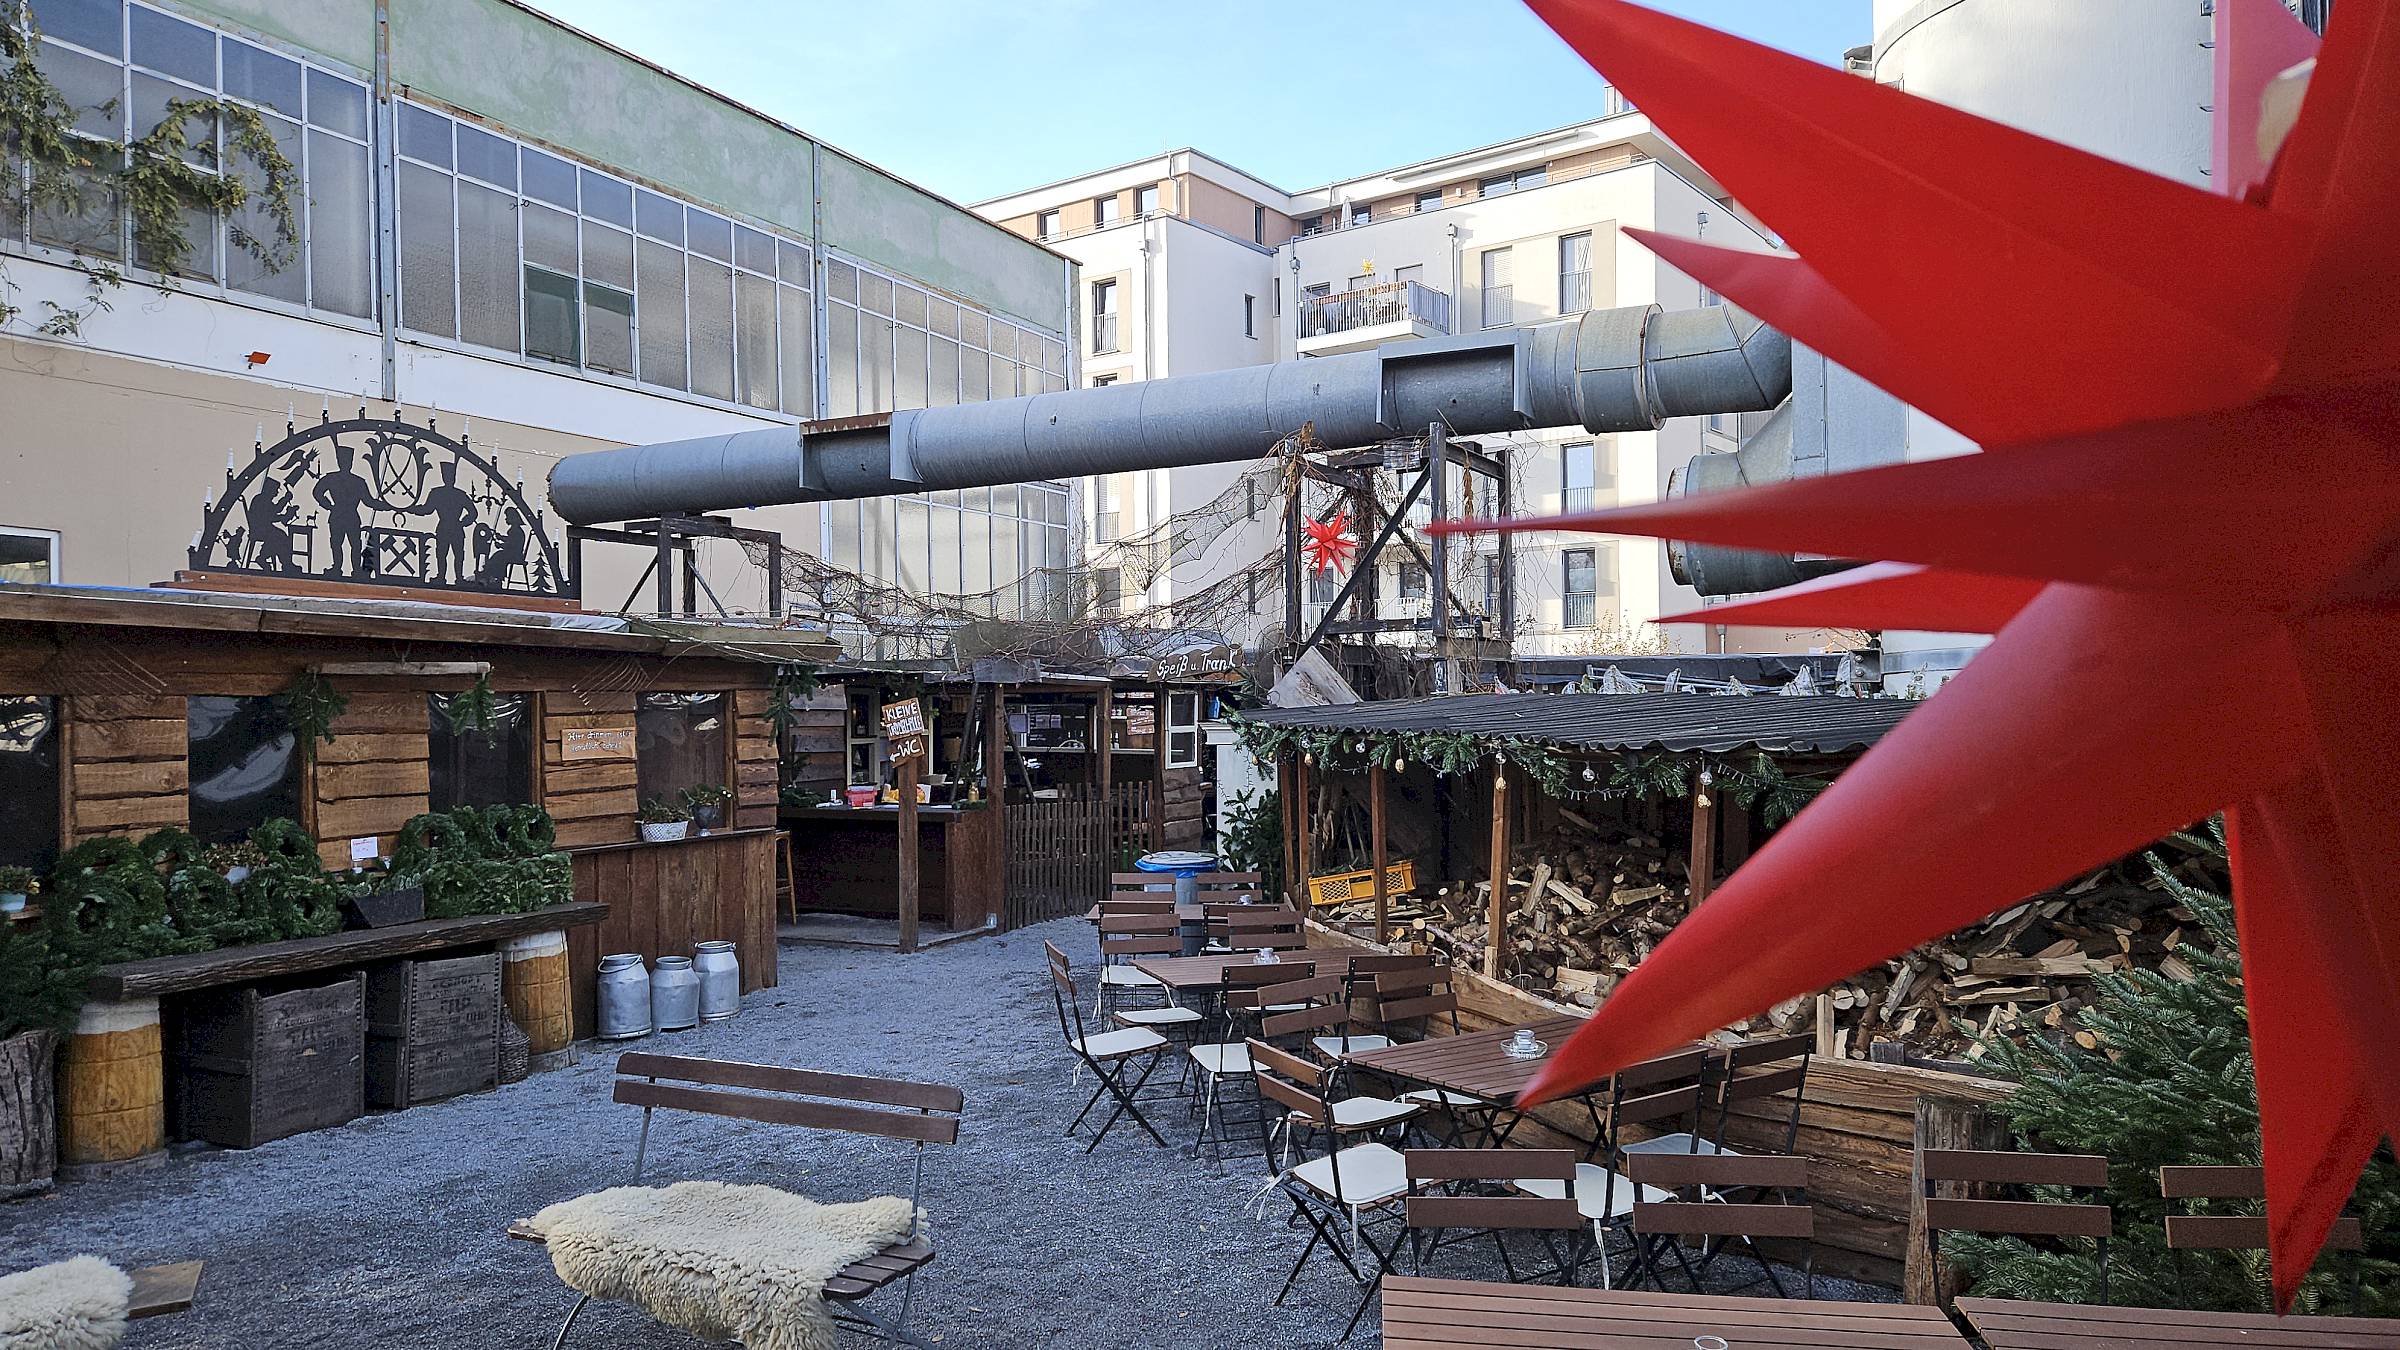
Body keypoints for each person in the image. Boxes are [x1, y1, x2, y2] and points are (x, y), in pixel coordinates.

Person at [312, 442, 391, 577]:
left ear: (351, 462)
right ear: (339, 461)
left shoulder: (357, 481)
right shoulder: (332, 478)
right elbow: (317, 492)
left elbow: (369, 501)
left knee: (354, 544)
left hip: (349, 516)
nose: (346, 463)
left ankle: (355, 570)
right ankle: (337, 567)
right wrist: (328, 505)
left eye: (348, 460)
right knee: (337, 543)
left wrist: (385, 505)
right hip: (339, 515)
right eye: (343, 460)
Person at [410, 459, 479, 585]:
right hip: (448, 527)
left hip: (451, 527)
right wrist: (413, 509)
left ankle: (456, 578)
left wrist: (463, 522)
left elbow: (473, 513)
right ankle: (444, 577)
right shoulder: (442, 493)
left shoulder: (447, 493)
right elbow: (427, 509)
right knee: (443, 554)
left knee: (456, 554)